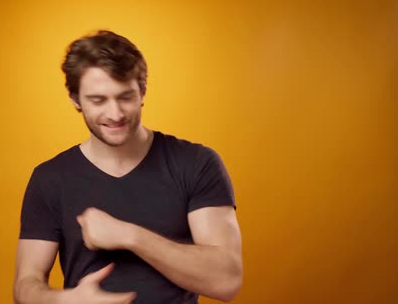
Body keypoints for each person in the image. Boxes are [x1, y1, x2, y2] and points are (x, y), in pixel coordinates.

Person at [13, 30, 242, 304]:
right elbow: (26, 285)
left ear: (143, 91)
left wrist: (129, 235)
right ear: (75, 99)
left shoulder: (196, 163)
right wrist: (63, 302)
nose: (115, 114)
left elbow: (226, 281)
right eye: (98, 100)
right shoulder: (49, 179)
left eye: (125, 97)